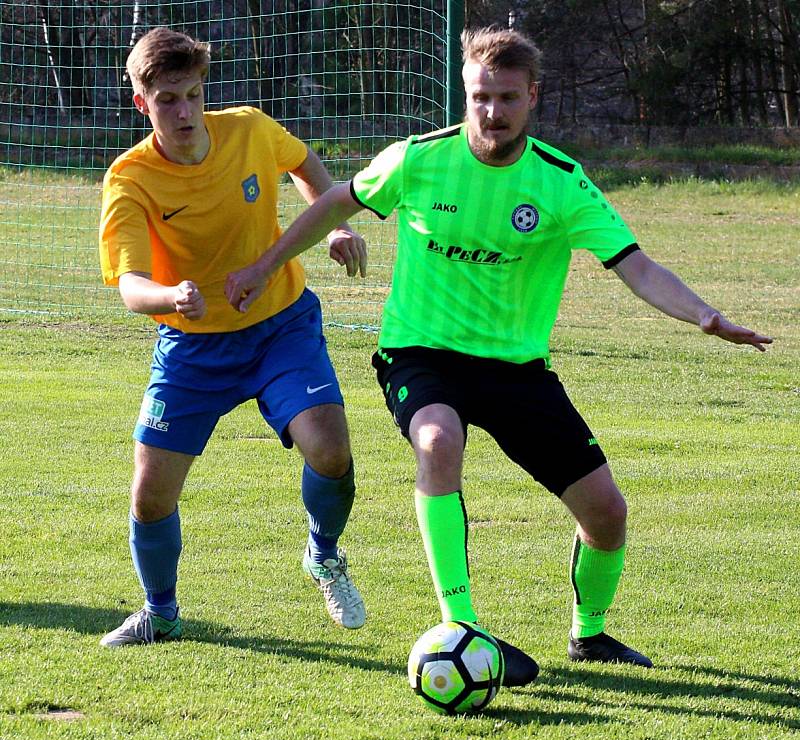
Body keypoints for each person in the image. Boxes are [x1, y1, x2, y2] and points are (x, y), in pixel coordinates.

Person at [223, 27, 772, 684]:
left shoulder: (561, 183)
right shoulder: (419, 160)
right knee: (436, 440)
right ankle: (460, 623)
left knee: (607, 514)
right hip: (419, 354)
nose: (492, 111)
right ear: (466, 92)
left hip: (516, 369)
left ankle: (590, 635)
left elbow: (636, 266)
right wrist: (265, 265)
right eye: (480, 96)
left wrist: (706, 316)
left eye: (507, 97)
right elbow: (340, 200)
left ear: (531, 96)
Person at [97, 27, 368, 647]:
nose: (184, 110)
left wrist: (328, 225)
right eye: (167, 99)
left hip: (281, 325)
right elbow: (130, 284)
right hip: (193, 347)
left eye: (191, 94)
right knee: (150, 493)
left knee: (328, 447)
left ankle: (323, 553)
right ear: (142, 101)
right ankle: (160, 612)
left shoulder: (248, 128)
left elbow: (301, 162)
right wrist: (171, 298)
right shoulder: (130, 180)